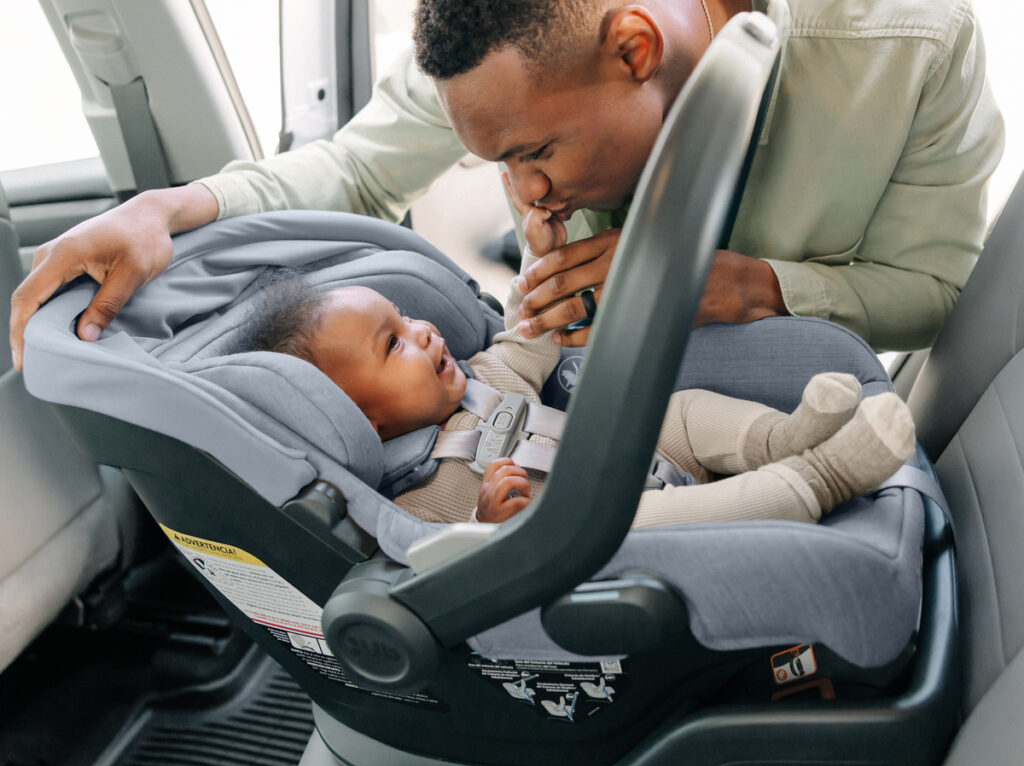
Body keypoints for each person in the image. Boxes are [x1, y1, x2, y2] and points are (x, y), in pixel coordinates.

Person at [9, 0, 1003, 369]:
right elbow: (351, 169)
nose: (525, 198)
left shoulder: (911, 47)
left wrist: (748, 290)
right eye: (499, 168)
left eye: (536, 155)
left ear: (634, 48)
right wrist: (169, 208)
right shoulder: (495, 57)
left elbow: (939, 296)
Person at [246, 182, 915, 525]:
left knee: (678, 409)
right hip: (611, 527)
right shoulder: (415, 500)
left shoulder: (487, 375)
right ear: (360, 422)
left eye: (408, 318)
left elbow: (535, 330)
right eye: (393, 344)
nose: (422, 331)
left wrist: (545, 252)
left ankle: (778, 439)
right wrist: (489, 526)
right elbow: (441, 568)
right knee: (635, 522)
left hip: (644, 455)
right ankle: (819, 479)